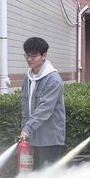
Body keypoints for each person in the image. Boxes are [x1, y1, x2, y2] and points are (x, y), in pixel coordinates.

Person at [20, 37, 66, 170]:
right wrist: (24, 127)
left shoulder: (53, 80)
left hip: (50, 139)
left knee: (47, 176)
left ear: (44, 56)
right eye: (27, 55)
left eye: (34, 56)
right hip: (33, 136)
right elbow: (25, 104)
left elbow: (44, 109)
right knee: (33, 174)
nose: (29, 59)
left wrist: (28, 128)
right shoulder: (29, 77)